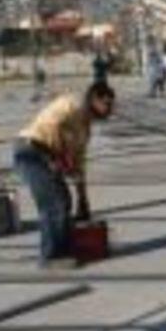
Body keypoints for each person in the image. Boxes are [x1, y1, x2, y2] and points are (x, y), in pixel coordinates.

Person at [13, 82, 115, 268]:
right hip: (32, 151)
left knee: (64, 200)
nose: (109, 109)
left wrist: (83, 199)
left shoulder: (85, 128)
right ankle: (50, 257)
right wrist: (58, 157)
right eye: (106, 104)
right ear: (94, 99)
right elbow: (52, 124)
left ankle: (64, 249)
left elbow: (80, 164)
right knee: (54, 203)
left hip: (47, 156)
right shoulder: (72, 104)